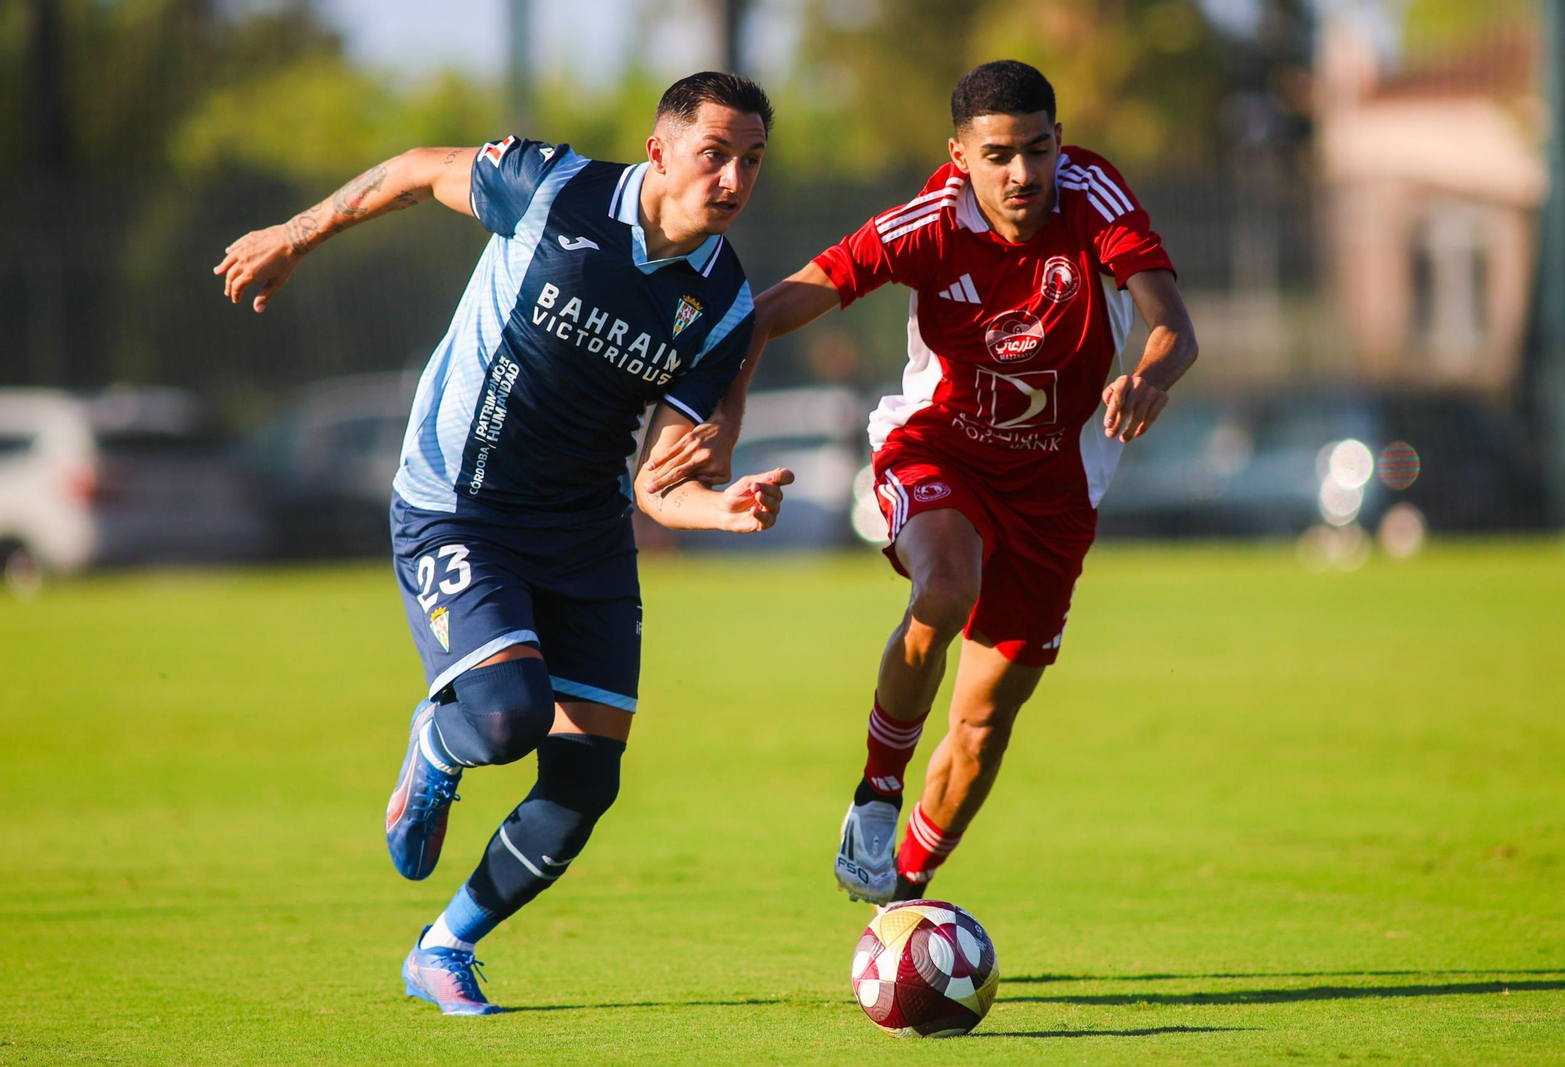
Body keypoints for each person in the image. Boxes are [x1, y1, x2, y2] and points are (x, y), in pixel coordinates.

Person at [214, 72, 792, 1013]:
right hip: (458, 505)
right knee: (504, 715)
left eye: (752, 161)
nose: (732, 178)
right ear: (660, 149)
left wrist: (722, 510)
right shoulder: (553, 188)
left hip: (587, 534)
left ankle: (443, 947)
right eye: (714, 154)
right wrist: (294, 234)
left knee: (585, 781)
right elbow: (411, 170)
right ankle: (438, 747)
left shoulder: (723, 306)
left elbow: (661, 481)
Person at [648, 59, 1198, 905]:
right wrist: (723, 415)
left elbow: (1174, 325)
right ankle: (877, 792)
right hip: (938, 448)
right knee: (946, 584)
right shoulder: (929, 221)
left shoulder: (1093, 195)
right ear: (959, 155)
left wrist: (1151, 372)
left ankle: (902, 893)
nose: (1025, 174)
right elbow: (773, 308)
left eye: (1040, 149)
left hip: (1056, 494)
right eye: (1001, 154)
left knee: (981, 730)